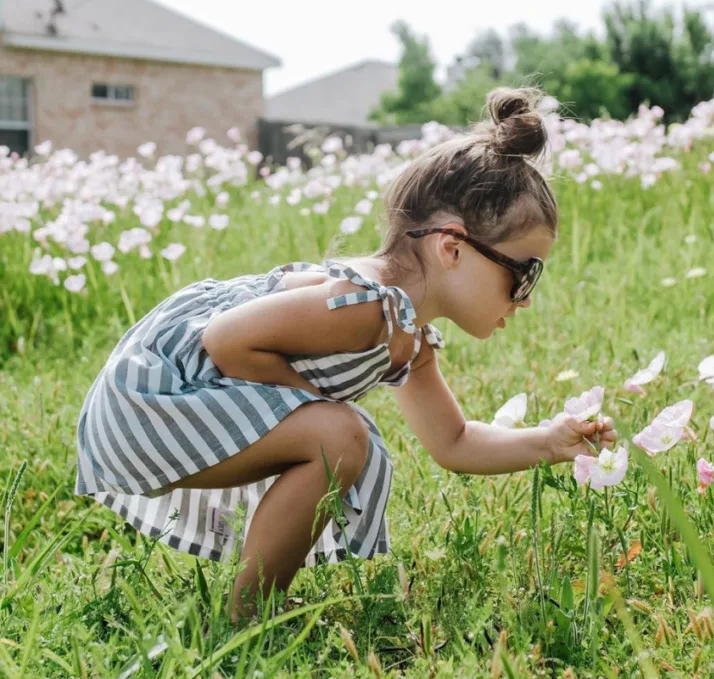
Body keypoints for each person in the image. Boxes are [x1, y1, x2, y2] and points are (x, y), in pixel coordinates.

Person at [74, 87, 617, 622]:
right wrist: (314, 408)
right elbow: (224, 339)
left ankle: (257, 602)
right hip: (144, 408)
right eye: (523, 274)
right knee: (339, 436)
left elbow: (455, 443)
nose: (525, 299)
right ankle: (248, 613)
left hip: (169, 417)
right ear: (451, 248)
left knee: (337, 434)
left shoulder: (408, 337)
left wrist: (548, 442)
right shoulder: (364, 307)